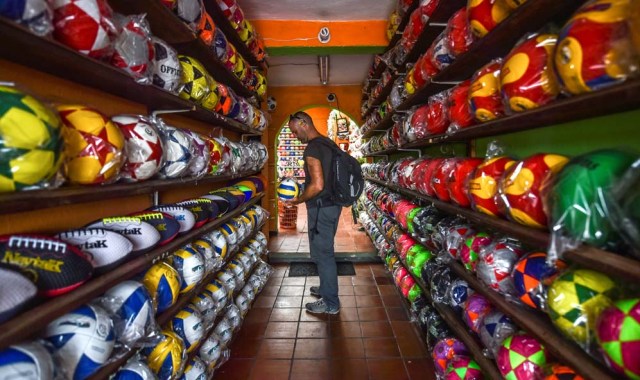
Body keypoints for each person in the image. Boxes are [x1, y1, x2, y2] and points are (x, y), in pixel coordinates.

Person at [283, 111, 341, 315]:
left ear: (303, 123)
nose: (294, 135)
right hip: (333, 205)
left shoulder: (313, 148)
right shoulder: (328, 143)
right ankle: (326, 288)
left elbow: (317, 185)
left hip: (321, 208)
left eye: (294, 130)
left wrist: (297, 199)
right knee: (322, 251)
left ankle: (331, 302)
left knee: (324, 254)